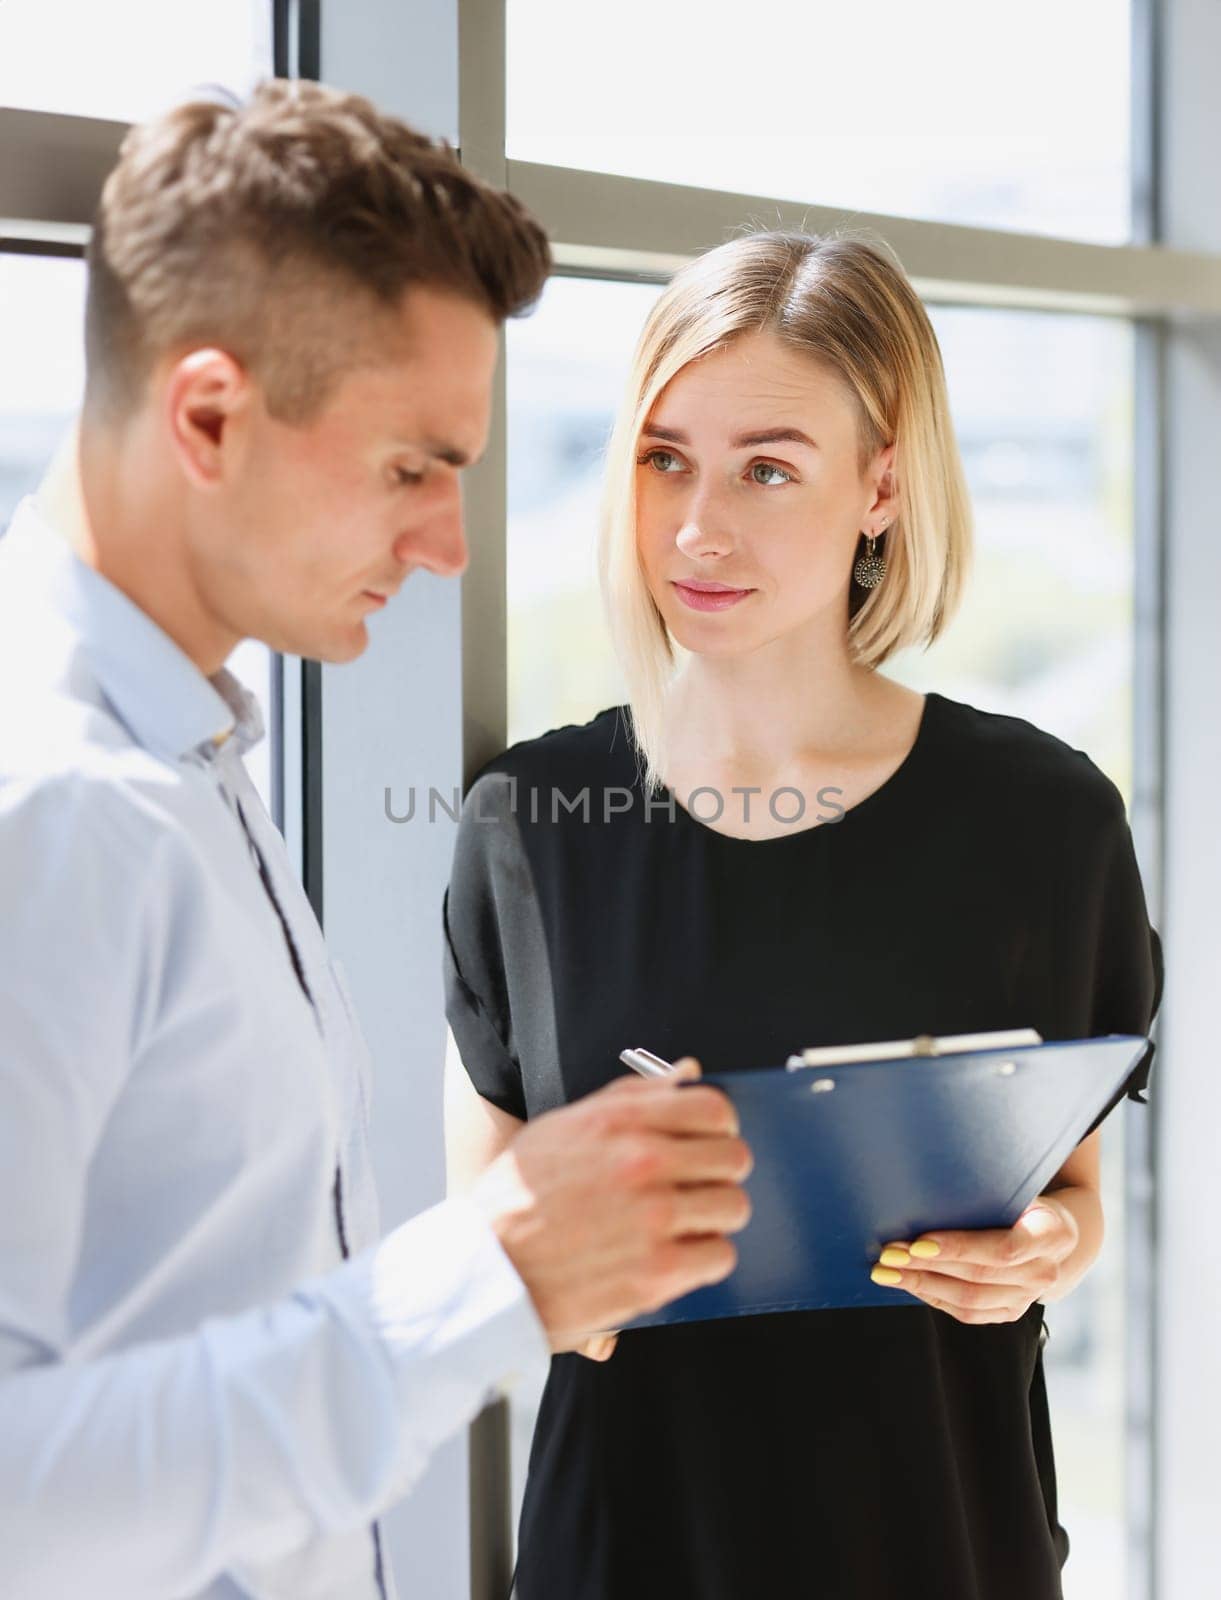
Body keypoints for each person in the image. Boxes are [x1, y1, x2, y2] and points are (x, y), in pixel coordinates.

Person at [0, 81, 755, 1600]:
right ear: (207, 415)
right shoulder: (57, 810)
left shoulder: (191, 748)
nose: (447, 547)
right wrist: (496, 1271)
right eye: (412, 466)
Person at [443, 230, 1165, 1599]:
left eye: (767, 468)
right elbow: (478, 1218)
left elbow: (1070, 1200)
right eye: (665, 459)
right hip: (630, 1547)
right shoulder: (530, 824)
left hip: (940, 1540)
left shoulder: (1042, 821)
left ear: (880, 484)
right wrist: (550, 1278)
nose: (698, 528)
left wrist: (1036, 1257)